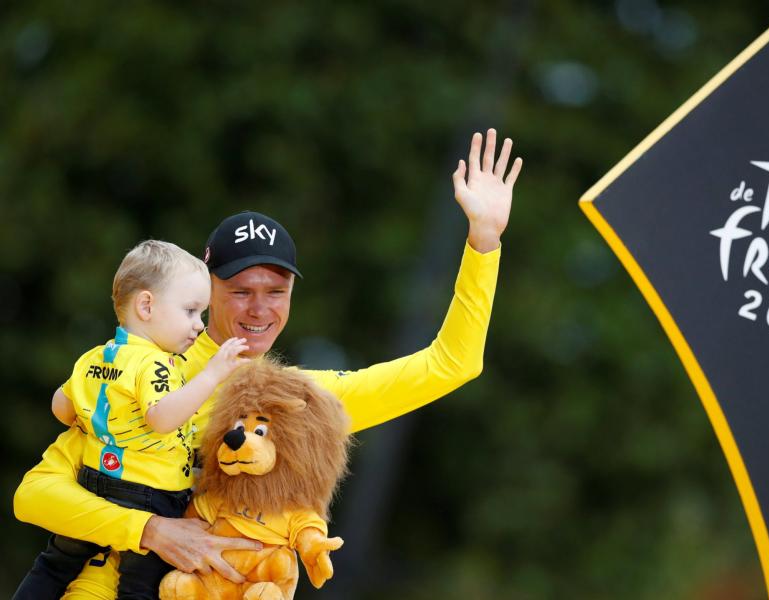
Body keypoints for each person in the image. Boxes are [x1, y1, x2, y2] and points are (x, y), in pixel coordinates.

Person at [13, 129, 522, 600]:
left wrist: (484, 241)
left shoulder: (298, 403)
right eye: (240, 291)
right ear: (206, 289)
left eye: (276, 292)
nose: (260, 309)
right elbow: (35, 496)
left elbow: (453, 364)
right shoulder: (147, 369)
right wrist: (152, 531)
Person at [15, 241, 250, 600]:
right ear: (146, 306)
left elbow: (61, 408)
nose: (198, 326)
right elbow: (162, 418)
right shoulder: (158, 364)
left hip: (94, 482)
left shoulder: (96, 355)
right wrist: (211, 375)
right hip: (148, 495)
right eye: (190, 311)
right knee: (140, 587)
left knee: (54, 563)